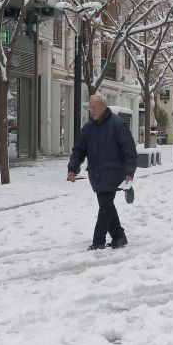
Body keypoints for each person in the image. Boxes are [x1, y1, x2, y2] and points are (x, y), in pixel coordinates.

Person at [67, 94, 137, 250]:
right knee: (107, 205)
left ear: (103, 107)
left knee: (105, 206)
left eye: (94, 107)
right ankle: (119, 236)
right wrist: (72, 168)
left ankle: (98, 241)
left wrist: (129, 171)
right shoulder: (88, 128)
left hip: (113, 173)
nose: (91, 110)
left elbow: (129, 150)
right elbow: (79, 150)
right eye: (90, 107)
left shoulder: (117, 125)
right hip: (97, 174)